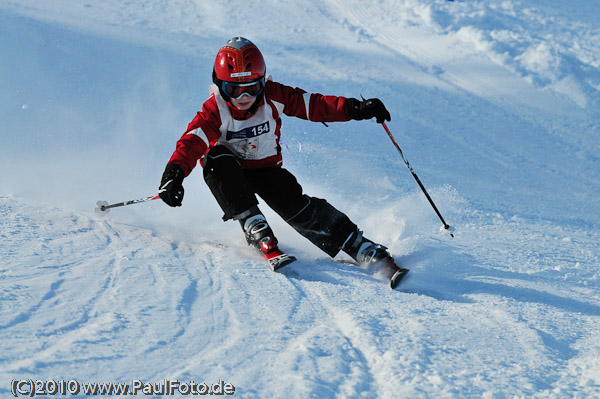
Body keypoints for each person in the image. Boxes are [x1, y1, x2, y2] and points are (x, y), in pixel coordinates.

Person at [159, 37, 406, 287]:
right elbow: (192, 142)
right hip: (229, 172)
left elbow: (315, 105)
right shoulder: (214, 110)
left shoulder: (274, 95)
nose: (243, 97)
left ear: (263, 82)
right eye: (234, 89)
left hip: (266, 169)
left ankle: (356, 243)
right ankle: (255, 226)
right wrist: (174, 175)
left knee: (297, 207)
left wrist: (356, 108)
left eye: (252, 88)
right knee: (214, 159)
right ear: (219, 85)